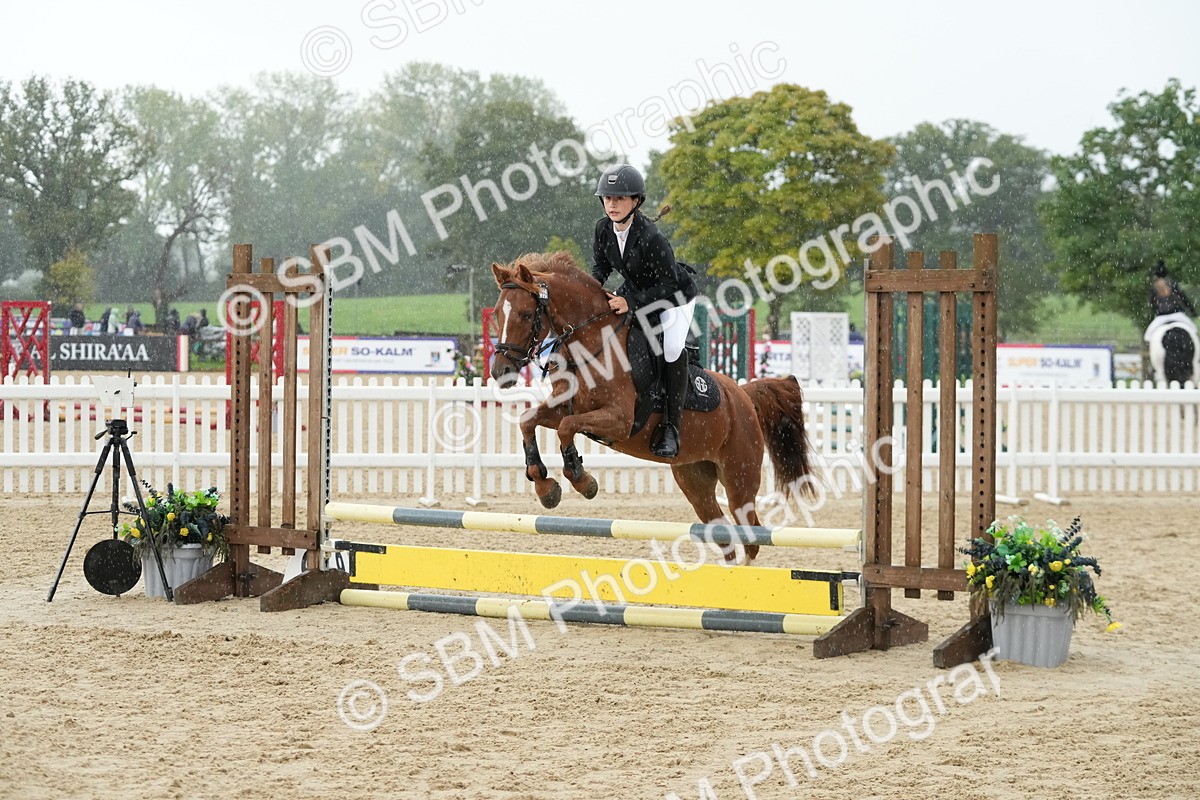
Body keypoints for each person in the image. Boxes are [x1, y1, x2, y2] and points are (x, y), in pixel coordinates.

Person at [590, 164, 698, 458]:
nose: (612, 204)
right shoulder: (603, 229)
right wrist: (592, 290)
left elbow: (669, 284)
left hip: (674, 297)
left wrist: (632, 304)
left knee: (673, 348)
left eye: (620, 198)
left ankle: (671, 428)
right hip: (637, 291)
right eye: (608, 198)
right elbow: (601, 267)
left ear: (635, 201)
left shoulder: (651, 236)